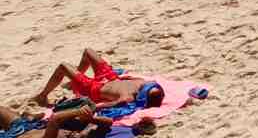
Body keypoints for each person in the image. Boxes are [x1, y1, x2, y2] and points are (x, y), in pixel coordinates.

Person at [32, 48, 165, 110]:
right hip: (111, 77)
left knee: (63, 66)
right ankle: (75, 80)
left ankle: (42, 96)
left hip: (94, 88)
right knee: (88, 52)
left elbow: (100, 106)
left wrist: (91, 107)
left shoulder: (127, 97)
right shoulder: (146, 83)